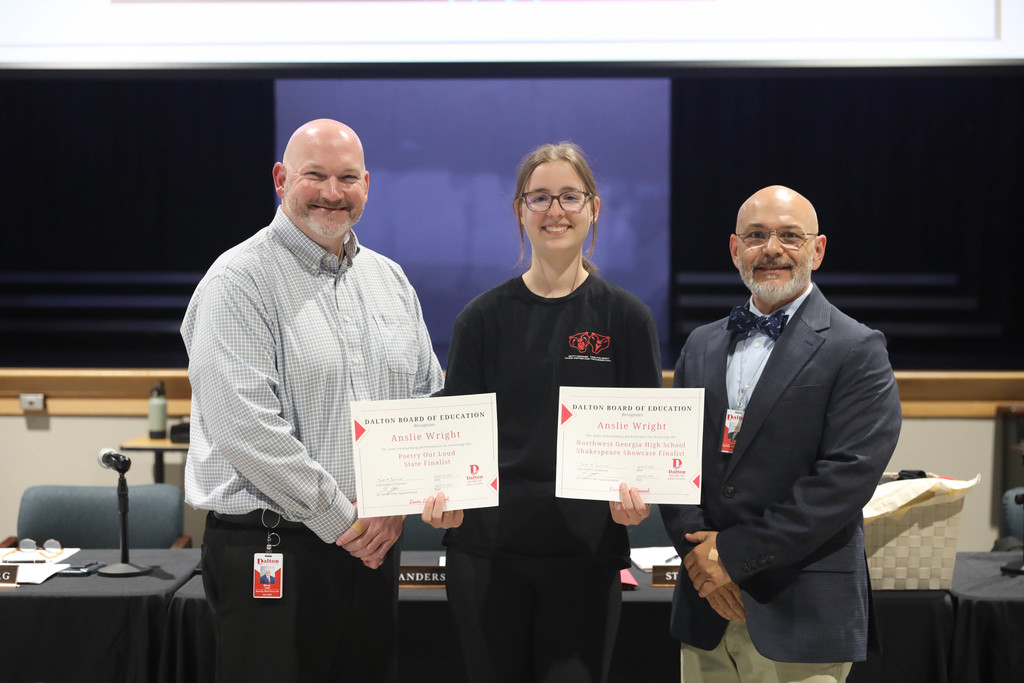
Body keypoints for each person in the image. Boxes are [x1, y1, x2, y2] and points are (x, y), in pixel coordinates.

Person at [182, 118, 444, 682]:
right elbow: (245, 427)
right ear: (281, 179)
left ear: (367, 185)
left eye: (347, 177)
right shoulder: (238, 280)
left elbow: (429, 398)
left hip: (375, 546)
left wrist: (410, 495)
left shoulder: (390, 281)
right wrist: (346, 520)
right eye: (315, 175)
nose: (332, 192)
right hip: (272, 549)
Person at [421, 142, 662, 683]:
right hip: (486, 556)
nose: (556, 211)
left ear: (594, 208)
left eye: (570, 197)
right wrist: (439, 493)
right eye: (540, 198)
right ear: (519, 211)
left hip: (586, 556)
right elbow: (455, 435)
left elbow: (644, 439)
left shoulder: (626, 318)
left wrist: (639, 497)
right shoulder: (480, 319)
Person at [660, 185, 902, 683]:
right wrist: (701, 562)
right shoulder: (701, 345)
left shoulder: (857, 348)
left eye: (790, 236)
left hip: (802, 612)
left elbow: (844, 482)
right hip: (704, 609)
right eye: (756, 235)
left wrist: (731, 555)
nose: (771, 249)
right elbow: (672, 462)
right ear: (734, 249)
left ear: (818, 249)